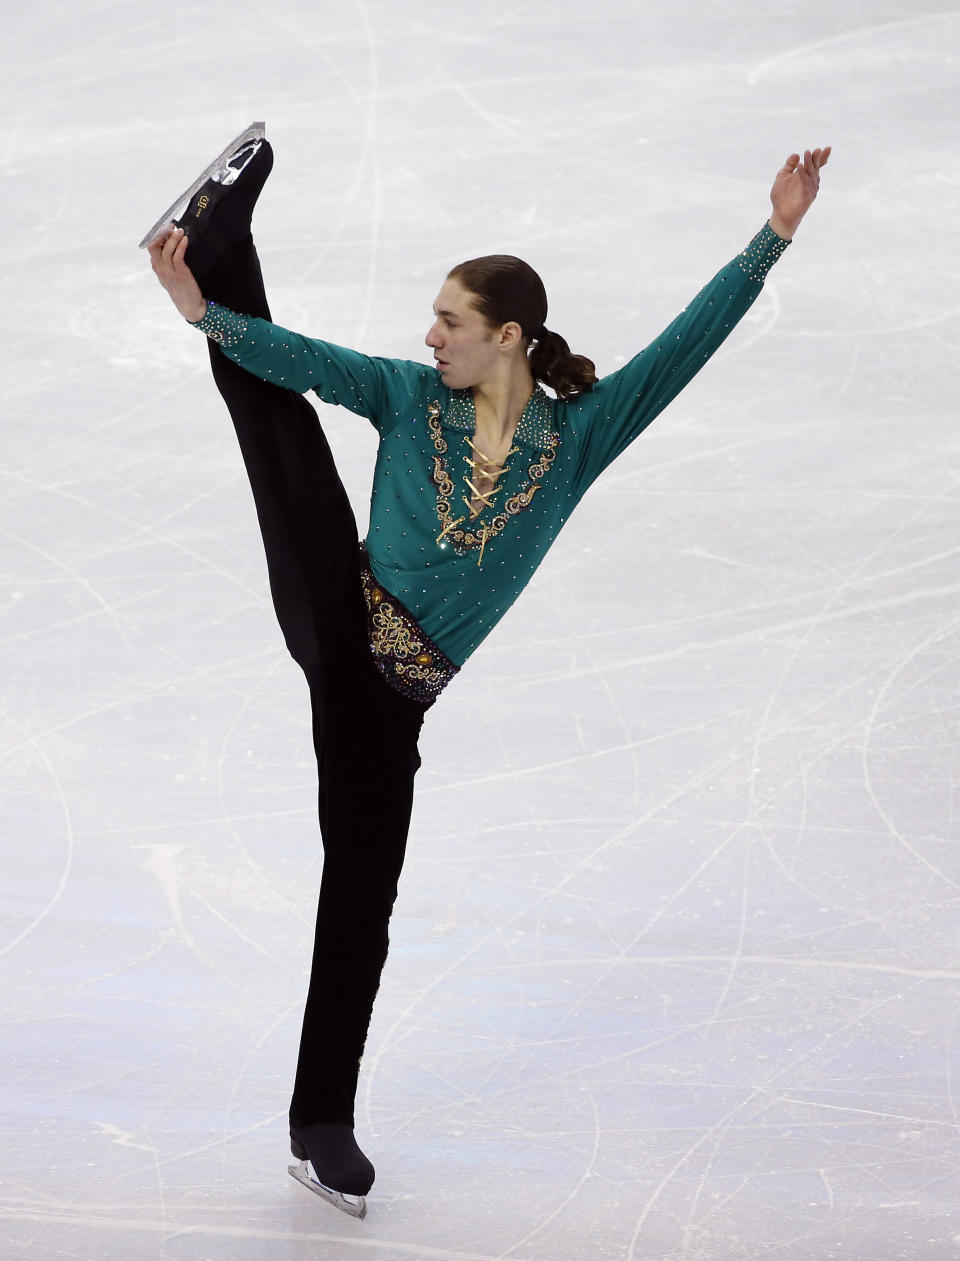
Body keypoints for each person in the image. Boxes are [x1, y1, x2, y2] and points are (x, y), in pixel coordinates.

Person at [146, 130, 830, 1216]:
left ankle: (317, 1120)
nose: (430, 336)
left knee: (360, 903)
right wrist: (203, 315)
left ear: (508, 337)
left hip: (392, 707)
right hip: (340, 607)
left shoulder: (579, 439)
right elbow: (311, 362)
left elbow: (681, 349)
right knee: (276, 419)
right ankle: (221, 248)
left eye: (450, 323)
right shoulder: (414, 397)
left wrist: (775, 233)